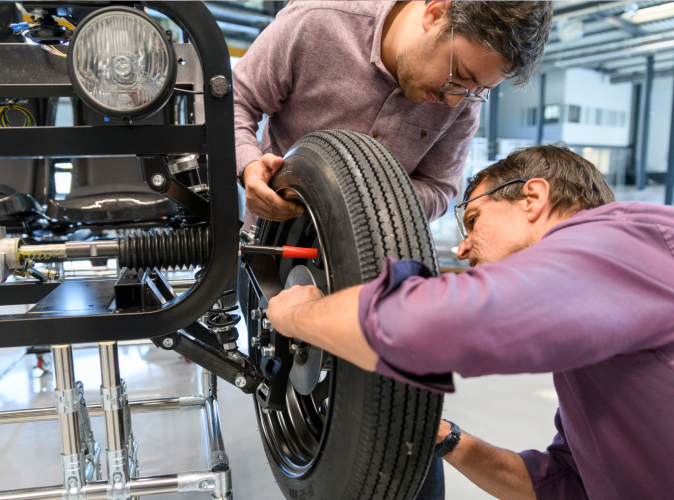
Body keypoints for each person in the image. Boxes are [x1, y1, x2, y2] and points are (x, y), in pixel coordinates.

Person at [266, 144, 674, 499]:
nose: (461, 249)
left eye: (474, 220)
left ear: (532, 197)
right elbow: (566, 484)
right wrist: (446, 438)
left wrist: (298, 315)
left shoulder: (622, 244)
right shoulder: (593, 318)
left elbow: (434, 322)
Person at [234, 1, 553, 226]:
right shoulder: (318, 20)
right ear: (436, 13)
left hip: (369, 271)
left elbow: (440, 189)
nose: (455, 103)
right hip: (273, 244)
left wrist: (370, 198)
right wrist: (249, 167)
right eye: (460, 73)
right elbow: (235, 100)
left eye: (478, 89)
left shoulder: (465, 96)